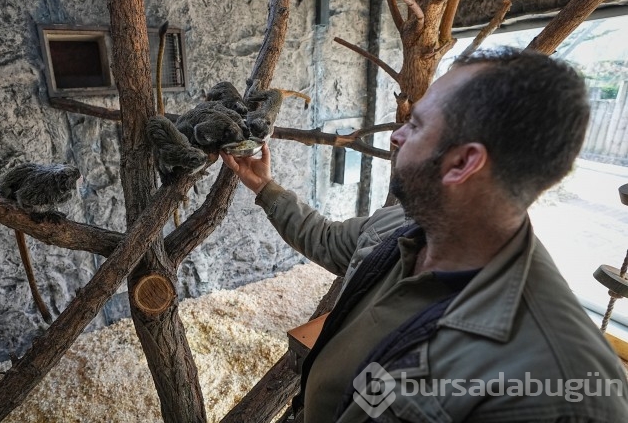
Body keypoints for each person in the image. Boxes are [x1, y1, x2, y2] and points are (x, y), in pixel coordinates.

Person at [220, 47, 628, 422]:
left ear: (463, 163)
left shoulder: (563, 387)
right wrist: (265, 188)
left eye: (414, 125)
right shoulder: (402, 228)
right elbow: (326, 238)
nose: (396, 135)